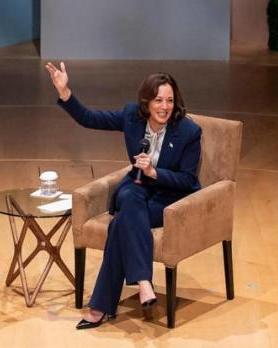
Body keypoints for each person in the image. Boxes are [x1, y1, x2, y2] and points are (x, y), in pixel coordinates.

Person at [44, 62, 202, 329]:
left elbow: (188, 180)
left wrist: (154, 172)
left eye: (170, 101)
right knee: (130, 198)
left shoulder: (188, 131)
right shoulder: (132, 116)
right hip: (136, 190)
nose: (164, 107)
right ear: (146, 102)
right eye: (158, 100)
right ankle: (143, 282)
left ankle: (100, 308)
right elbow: (89, 118)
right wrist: (65, 91)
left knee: (120, 223)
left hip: (166, 198)